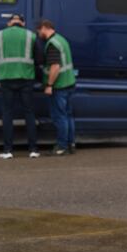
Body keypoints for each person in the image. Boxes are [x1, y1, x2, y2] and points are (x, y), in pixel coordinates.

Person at [0, 14, 39, 159]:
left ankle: (7, 150)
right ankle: (33, 150)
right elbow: (40, 58)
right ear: (23, 23)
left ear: (9, 23)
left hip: (6, 78)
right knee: (29, 113)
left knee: (7, 114)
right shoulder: (31, 36)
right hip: (26, 78)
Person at [37, 19, 76, 156]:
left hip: (59, 86)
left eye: (39, 31)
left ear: (44, 28)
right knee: (68, 115)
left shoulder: (52, 44)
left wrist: (49, 85)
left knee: (59, 117)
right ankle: (71, 144)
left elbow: (55, 67)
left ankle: (61, 147)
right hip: (69, 83)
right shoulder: (61, 39)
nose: (39, 34)